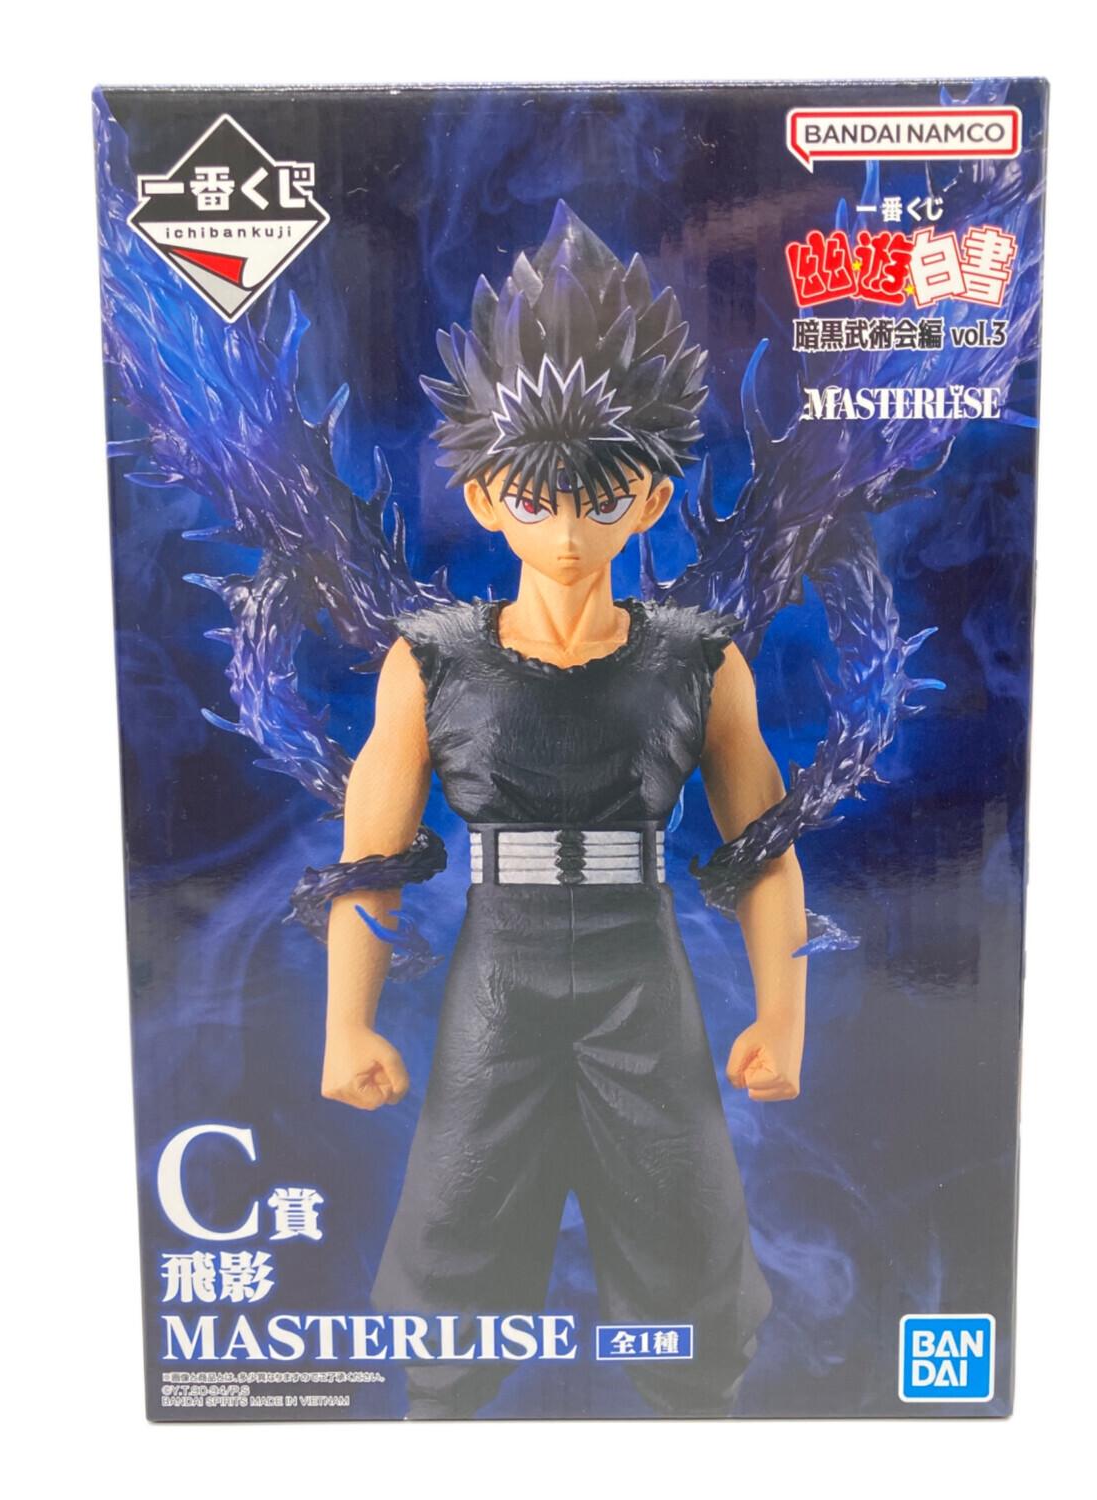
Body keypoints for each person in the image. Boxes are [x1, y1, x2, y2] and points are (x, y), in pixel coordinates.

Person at [321, 204, 808, 1417]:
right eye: (539, 500)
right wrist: (347, 1025)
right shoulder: (429, 661)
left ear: (650, 496)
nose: (572, 532)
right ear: (487, 496)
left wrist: (785, 1017)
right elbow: (368, 859)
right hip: (504, 968)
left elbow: (764, 852)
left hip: (642, 969)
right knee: (450, 1267)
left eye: (602, 498)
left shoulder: (701, 658)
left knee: (693, 1276)